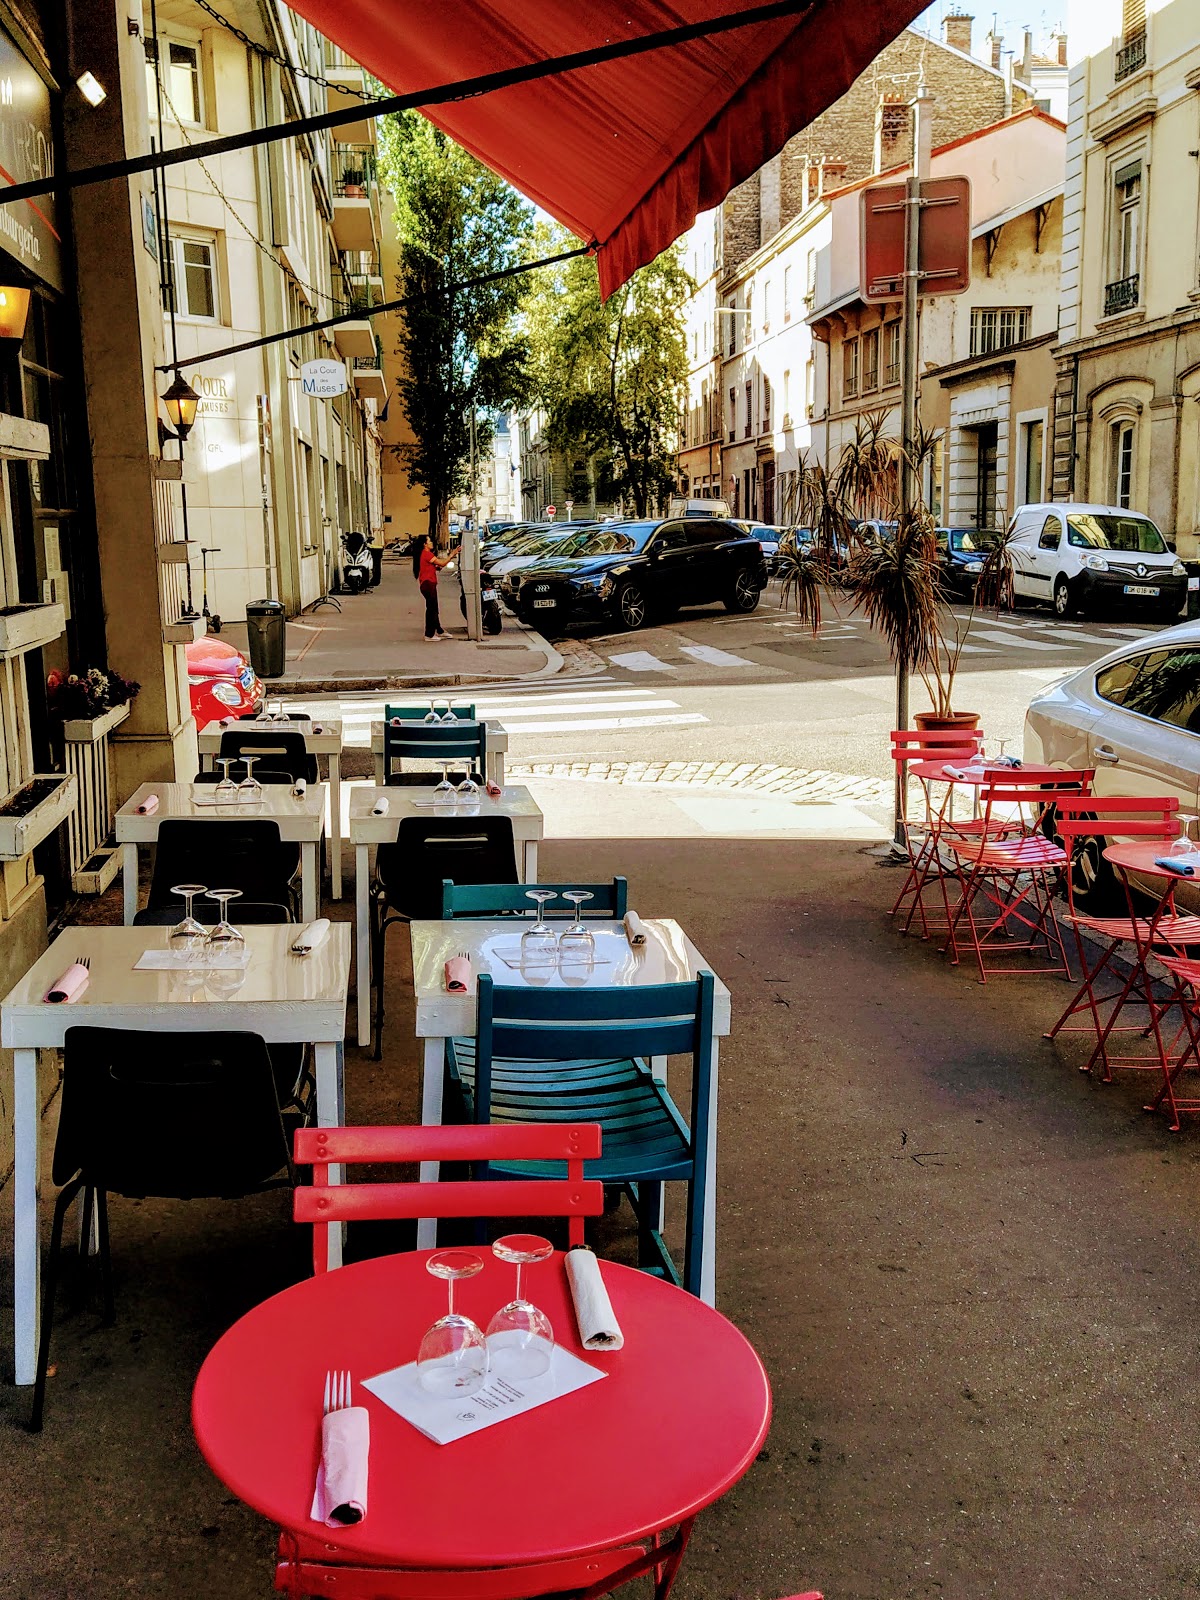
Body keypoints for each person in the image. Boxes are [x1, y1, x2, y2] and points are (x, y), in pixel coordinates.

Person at [412, 533, 453, 641]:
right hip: (428, 584)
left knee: (434, 608)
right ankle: (429, 634)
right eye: (429, 541)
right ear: (425, 544)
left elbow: (435, 566)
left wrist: (436, 568)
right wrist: (453, 554)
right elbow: (442, 563)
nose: (431, 543)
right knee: (431, 609)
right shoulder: (427, 554)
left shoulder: (424, 554)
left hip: (428, 584)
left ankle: (439, 630)